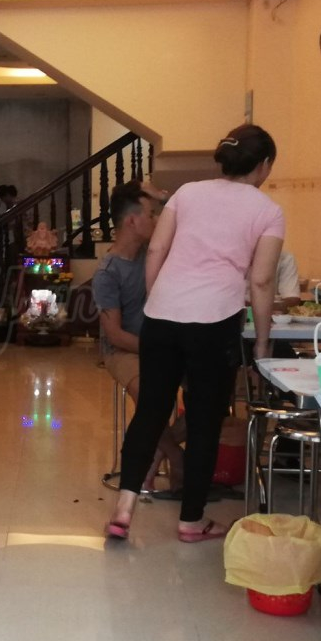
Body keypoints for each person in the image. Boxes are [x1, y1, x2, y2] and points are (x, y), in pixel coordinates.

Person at [106, 124, 283, 542]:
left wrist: (158, 298)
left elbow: (157, 249)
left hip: (163, 316)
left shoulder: (187, 193)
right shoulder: (268, 210)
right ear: (264, 165)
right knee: (205, 420)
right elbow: (261, 281)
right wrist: (261, 342)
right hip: (215, 321)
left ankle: (124, 508)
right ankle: (191, 521)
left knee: (151, 411)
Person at [93, 181, 183, 495]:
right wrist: (159, 349)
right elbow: (115, 335)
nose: (157, 220)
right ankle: (175, 456)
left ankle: (157, 451)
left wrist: (164, 197)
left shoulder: (153, 253)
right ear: (132, 220)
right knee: (150, 396)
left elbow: (184, 221)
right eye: (151, 214)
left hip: (162, 345)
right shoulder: (108, 273)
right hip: (124, 350)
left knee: (210, 392)